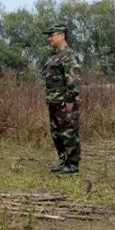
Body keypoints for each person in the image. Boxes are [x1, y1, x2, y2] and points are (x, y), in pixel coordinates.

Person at [42, 24, 81, 174]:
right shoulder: (55, 56)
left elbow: (73, 79)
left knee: (68, 133)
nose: (49, 38)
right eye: (49, 35)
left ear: (62, 35)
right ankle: (64, 162)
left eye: (52, 35)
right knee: (57, 133)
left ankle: (72, 164)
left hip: (65, 103)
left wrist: (70, 100)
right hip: (54, 102)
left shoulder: (68, 55)